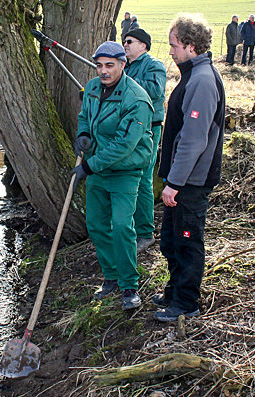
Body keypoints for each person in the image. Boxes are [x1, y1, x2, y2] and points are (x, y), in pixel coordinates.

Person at [71, 41, 154, 311]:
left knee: (121, 226)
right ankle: (111, 277)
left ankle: (129, 285)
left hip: (125, 170)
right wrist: (83, 135)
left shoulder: (137, 98)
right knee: (95, 225)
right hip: (97, 168)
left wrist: (88, 167)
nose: (103, 71)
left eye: (109, 65)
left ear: (122, 64)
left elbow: (123, 145)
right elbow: (84, 116)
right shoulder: (93, 88)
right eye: (99, 65)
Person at [154, 14, 225, 322]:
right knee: (170, 239)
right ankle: (174, 291)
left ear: (190, 46)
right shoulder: (193, 75)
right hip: (181, 179)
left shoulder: (203, 81)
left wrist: (174, 183)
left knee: (187, 241)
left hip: (191, 183)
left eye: (173, 45)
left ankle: (186, 303)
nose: (170, 52)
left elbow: (194, 140)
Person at [123, 28, 167, 252]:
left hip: (149, 129)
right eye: (124, 42)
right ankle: (127, 229)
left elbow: (156, 91)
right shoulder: (126, 65)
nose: (125, 45)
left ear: (143, 45)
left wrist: (124, 79)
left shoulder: (154, 65)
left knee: (143, 180)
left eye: (130, 41)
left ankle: (146, 233)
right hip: (128, 128)